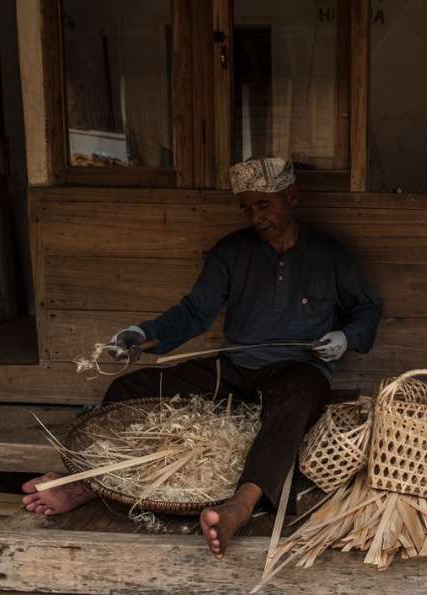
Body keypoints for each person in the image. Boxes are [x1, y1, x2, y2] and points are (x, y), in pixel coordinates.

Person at [21, 157, 382, 558]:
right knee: (130, 387)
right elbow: (193, 313)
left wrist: (345, 338)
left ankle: (239, 506)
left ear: (292, 197)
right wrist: (141, 336)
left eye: (264, 205)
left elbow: (367, 309)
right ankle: (89, 480)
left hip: (297, 368)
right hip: (235, 367)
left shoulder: (329, 255)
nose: (255, 216)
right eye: (247, 207)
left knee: (295, 403)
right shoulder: (232, 251)